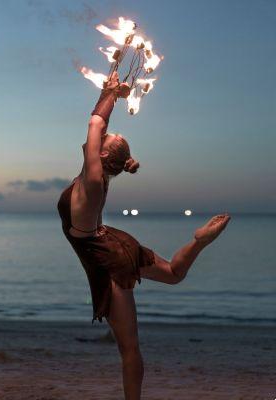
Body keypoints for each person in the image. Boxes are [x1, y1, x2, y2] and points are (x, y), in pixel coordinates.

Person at [57, 71, 231, 400]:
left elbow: (95, 125)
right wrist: (110, 94)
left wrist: (111, 94)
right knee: (174, 275)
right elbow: (99, 128)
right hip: (112, 239)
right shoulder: (96, 173)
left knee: (129, 349)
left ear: (103, 157)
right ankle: (199, 240)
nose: (101, 137)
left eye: (105, 142)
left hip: (109, 259)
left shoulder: (93, 181)